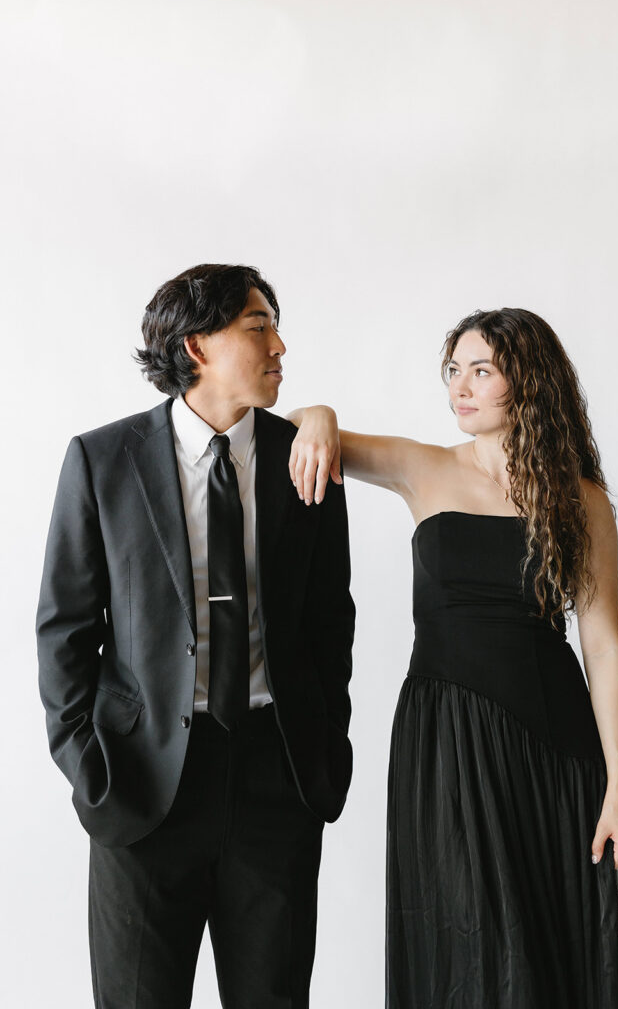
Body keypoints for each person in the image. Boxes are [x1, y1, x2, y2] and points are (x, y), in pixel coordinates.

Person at [288, 308, 618, 1008]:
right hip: (446, 736)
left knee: (549, 944)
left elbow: (601, 639)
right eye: (453, 371)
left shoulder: (581, 500)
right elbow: (298, 429)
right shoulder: (423, 467)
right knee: (463, 941)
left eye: (481, 370)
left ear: (527, 381)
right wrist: (320, 411)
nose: (460, 387)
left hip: (553, 746)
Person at [36, 264, 355, 1009]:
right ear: (197, 346)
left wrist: (323, 744)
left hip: (275, 778)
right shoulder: (100, 460)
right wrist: (90, 766)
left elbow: (327, 623)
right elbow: (65, 629)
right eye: (257, 326)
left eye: (274, 324)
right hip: (142, 787)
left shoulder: (303, 460)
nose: (279, 344)